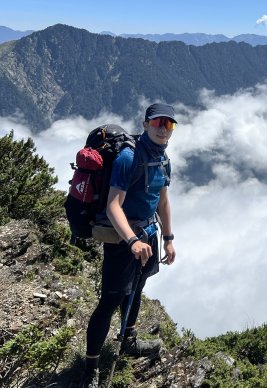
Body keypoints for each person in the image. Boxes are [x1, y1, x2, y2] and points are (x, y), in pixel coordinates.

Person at [81, 103, 178, 387]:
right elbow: (113, 206)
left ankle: (129, 340)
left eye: (169, 124)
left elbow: (162, 201)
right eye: (158, 122)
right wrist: (132, 240)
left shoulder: (163, 158)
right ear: (145, 123)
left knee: (137, 288)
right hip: (124, 238)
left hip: (148, 235)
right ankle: (90, 368)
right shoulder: (128, 157)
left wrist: (169, 239)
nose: (163, 128)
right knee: (110, 300)